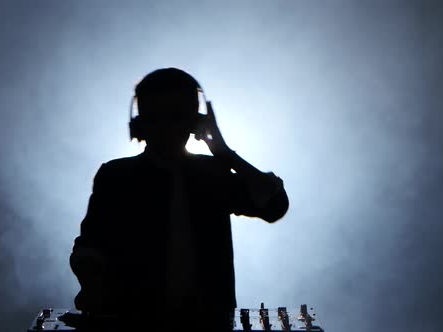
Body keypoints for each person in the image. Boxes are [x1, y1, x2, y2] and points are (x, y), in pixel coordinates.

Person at [69, 68, 289, 331]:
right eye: (157, 117)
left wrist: (225, 154)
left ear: (194, 121)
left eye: (176, 116)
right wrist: (95, 284)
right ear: (141, 124)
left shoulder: (213, 172)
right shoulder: (117, 176)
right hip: (135, 321)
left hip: (209, 321)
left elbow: (274, 205)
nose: (167, 127)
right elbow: (89, 245)